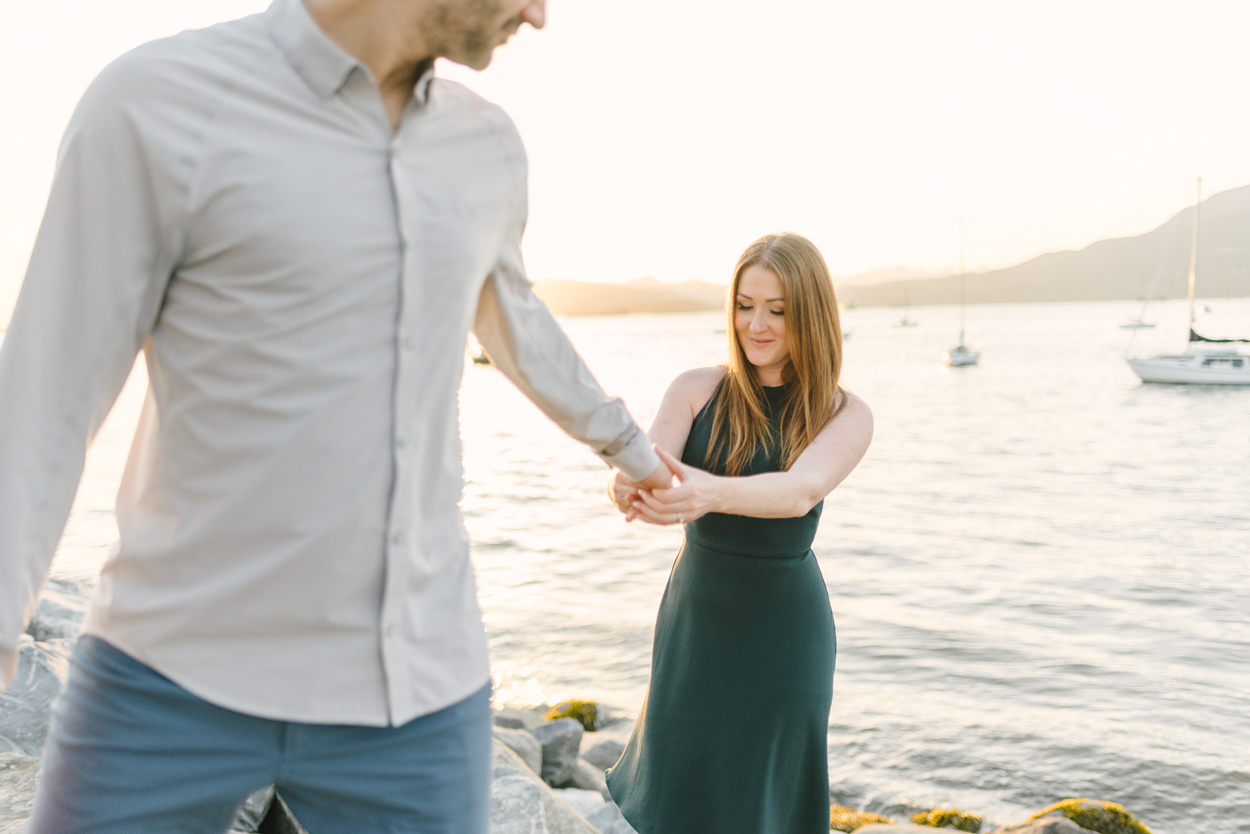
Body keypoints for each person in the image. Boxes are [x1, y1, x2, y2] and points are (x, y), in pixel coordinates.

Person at [0, 0, 672, 831]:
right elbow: (46, 393)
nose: (538, 14)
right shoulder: (156, 102)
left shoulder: (487, 147)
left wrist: (633, 451)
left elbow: (518, 322)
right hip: (167, 679)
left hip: (417, 699)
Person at [603, 232, 874, 833]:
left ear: (811, 314)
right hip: (697, 623)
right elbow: (651, 462)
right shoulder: (696, 388)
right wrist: (626, 486)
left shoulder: (844, 413)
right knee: (678, 796)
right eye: (744, 305)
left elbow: (798, 491)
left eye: (777, 311)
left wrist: (705, 492)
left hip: (784, 634)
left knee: (762, 807)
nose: (757, 325)